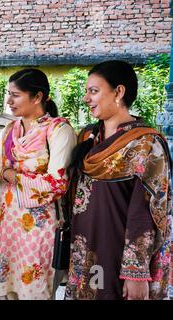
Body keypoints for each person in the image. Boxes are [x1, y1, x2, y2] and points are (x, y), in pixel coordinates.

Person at [65, 60, 172, 300]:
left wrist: (136, 273)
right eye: (86, 92)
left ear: (119, 92)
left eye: (93, 91)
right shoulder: (87, 137)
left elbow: (146, 211)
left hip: (118, 253)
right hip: (85, 249)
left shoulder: (146, 143)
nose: (86, 98)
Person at [0, 68, 76, 300]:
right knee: (5, 292)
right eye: (9, 93)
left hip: (39, 228)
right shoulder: (9, 130)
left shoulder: (59, 130)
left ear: (37, 97)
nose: (9, 101)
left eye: (15, 95)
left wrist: (8, 174)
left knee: (35, 292)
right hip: (6, 225)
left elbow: (56, 184)